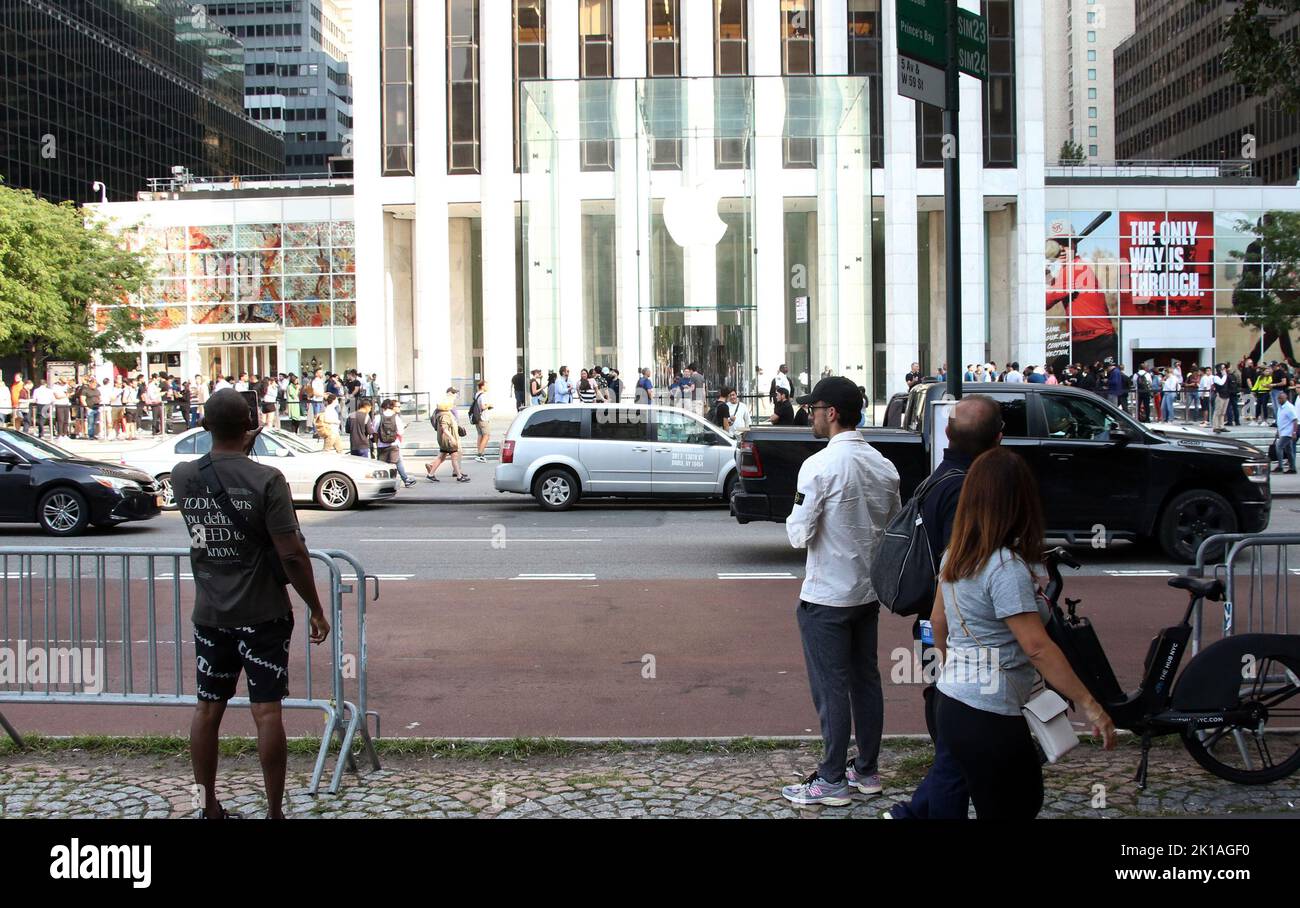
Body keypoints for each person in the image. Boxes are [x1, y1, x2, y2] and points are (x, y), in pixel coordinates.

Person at [929, 447, 1116, 818]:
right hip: (990, 714)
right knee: (1019, 804)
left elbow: (938, 620)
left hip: (951, 701)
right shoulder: (1004, 567)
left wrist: (960, 667)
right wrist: (1093, 706)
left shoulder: (956, 554)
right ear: (1019, 503)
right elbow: (1038, 648)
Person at [173, 389, 330, 820]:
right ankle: (275, 812)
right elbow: (293, 553)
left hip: (210, 613)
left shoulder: (183, 476)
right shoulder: (267, 479)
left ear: (205, 427)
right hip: (263, 613)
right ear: (250, 429)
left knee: (207, 710)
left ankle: (207, 808)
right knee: (266, 712)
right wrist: (315, 607)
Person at [781, 376, 901, 806]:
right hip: (866, 594)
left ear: (830, 413)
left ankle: (830, 779)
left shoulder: (818, 465)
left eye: (813, 408)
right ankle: (866, 770)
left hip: (826, 595)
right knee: (865, 681)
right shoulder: (884, 466)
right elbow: (893, 527)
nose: (810, 415)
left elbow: (798, 534)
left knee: (830, 687)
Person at [885, 396, 1004, 821]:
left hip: (936, 626)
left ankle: (916, 811)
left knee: (952, 736)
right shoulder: (966, 487)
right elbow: (957, 566)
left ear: (948, 434)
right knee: (955, 740)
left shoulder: (941, 477)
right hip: (955, 629)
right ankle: (921, 814)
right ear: (998, 440)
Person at [372, 398, 417, 488]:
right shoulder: (396, 418)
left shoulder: (378, 417)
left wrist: (377, 443)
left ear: (383, 407)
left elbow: (374, 432)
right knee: (394, 463)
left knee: (382, 465)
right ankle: (399, 481)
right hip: (394, 444)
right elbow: (400, 432)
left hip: (381, 445)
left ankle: (382, 483)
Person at [427, 390, 470, 482]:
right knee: (454, 456)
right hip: (447, 440)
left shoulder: (444, 413)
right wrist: (452, 438)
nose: (452, 405)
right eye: (450, 404)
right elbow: (444, 428)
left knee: (441, 457)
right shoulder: (445, 415)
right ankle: (459, 476)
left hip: (444, 440)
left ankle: (431, 474)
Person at [469, 380, 493, 462]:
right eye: (486, 385)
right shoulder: (483, 395)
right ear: (482, 386)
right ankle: (480, 454)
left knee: (480, 435)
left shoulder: (477, 394)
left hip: (477, 417)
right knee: (486, 435)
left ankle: (479, 452)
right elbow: (483, 407)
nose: (487, 387)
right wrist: (489, 405)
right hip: (483, 418)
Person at [1275, 390, 1298, 474]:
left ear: (1285, 398)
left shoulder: (1289, 407)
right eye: (1278, 398)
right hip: (1282, 431)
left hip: (1288, 432)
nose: (1279, 400)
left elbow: (1295, 420)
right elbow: (1280, 420)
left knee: (1279, 447)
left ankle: (1280, 466)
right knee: (1289, 450)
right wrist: (1278, 431)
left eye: (1281, 398)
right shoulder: (1280, 407)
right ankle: (1293, 468)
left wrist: (1294, 432)